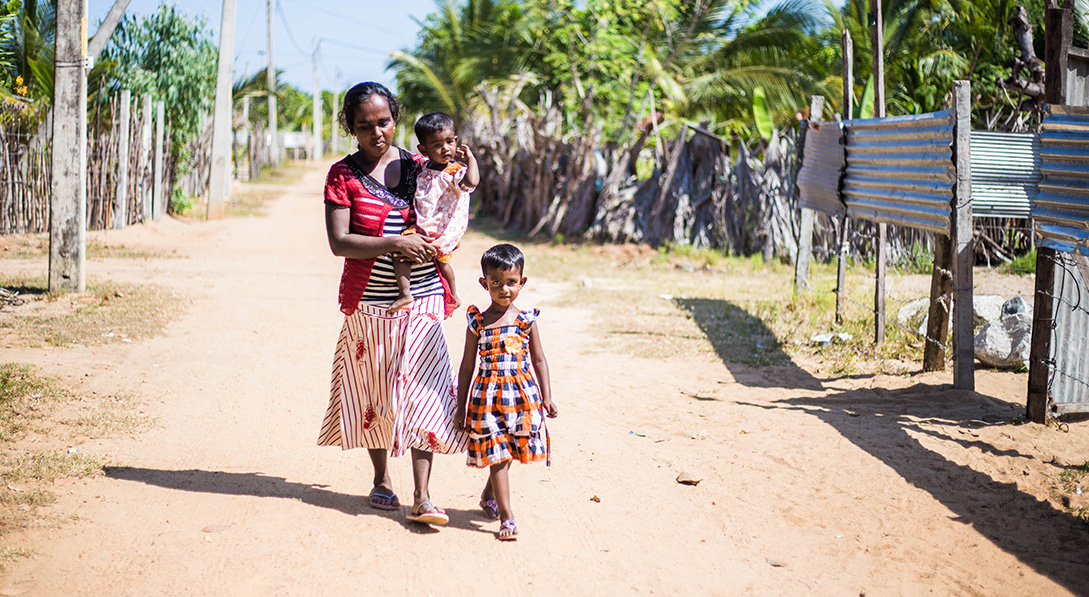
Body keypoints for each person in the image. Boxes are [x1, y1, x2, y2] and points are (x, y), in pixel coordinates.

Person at [317, 81, 466, 526]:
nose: (376, 132)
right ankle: (382, 479)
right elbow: (339, 242)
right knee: (374, 392)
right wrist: (394, 242)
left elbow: (456, 202)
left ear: (396, 119)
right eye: (364, 126)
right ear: (351, 128)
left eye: (383, 122)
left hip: (421, 298)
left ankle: (423, 495)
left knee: (428, 391)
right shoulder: (342, 176)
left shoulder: (421, 163)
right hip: (370, 305)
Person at [454, 243, 559, 541]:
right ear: (484, 283)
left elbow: (539, 359)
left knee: (510, 449)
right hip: (486, 399)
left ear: (522, 282)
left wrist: (547, 396)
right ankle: (508, 517)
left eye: (511, 283)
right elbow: (466, 367)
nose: (504, 289)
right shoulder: (478, 322)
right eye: (496, 283)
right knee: (497, 453)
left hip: (522, 396)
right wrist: (461, 408)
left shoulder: (526, 321)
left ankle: (489, 494)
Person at [387, 111, 479, 315]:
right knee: (400, 253)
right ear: (423, 149)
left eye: (449, 142)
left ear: (456, 141)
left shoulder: (456, 171)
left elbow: (472, 182)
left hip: (443, 231)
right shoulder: (422, 167)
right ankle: (406, 294)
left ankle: (453, 296)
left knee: (443, 263)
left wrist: (471, 159)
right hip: (423, 227)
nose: (445, 148)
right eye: (437, 145)